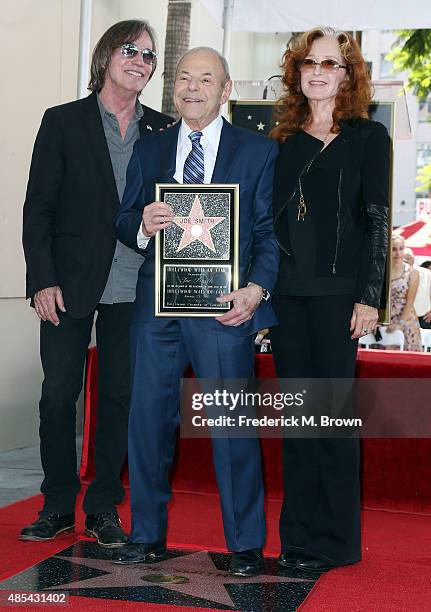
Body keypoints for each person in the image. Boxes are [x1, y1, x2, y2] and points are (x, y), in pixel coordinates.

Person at [112, 46, 279, 577]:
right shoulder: (150, 150)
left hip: (224, 309)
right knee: (147, 422)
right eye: (183, 77)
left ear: (225, 90)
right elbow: (123, 220)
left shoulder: (257, 151)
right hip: (156, 309)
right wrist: (143, 224)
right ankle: (145, 536)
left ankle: (246, 544)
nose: (192, 87)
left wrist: (256, 290)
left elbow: (271, 237)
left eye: (205, 79)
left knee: (231, 424)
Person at [21, 20, 173, 547]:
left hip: (137, 286)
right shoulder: (62, 122)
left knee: (119, 399)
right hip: (68, 284)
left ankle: (104, 505)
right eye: (130, 50)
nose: (140, 60)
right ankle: (58, 504)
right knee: (57, 396)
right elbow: (38, 208)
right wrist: (41, 279)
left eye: (149, 56)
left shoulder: (164, 129)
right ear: (107, 55)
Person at [270, 27, 390, 572]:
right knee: (297, 420)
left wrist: (370, 297)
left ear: (347, 74)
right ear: (298, 73)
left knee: (332, 420)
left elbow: (377, 219)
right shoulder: (283, 143)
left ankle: (335, 542)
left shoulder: (369, 138)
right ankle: (296, 537)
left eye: (330, 64)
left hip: (341, 299)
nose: (318, 72)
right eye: (309, 63)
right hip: (290, 298)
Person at [387, 236, 422, 350]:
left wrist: (400, 324)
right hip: (387, 320)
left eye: (401, 248)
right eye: (394, 249)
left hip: (406, 320)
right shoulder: (383, 272)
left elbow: (410, 302)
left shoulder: (412, 272)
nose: (397, 253)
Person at [403, 249, 431, 330]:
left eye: (408, 258)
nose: (405, 261)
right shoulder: (395, 273)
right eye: (404, 259)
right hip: (402, 316)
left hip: (424, 317)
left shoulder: (427, 273)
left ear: (413, 258)